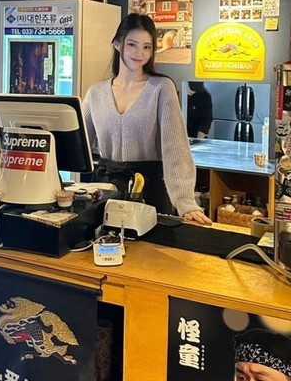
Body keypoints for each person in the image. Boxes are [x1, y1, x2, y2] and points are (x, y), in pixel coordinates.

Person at [82, 13, 211, 224]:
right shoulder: (95, 93)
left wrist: (185, 203)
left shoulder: (161, 88)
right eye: (132, 44)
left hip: (150, 191)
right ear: (117, 44)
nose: (139, 53)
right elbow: (79, 145)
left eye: (147, 47)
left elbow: (175, 148)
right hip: (106, 191)